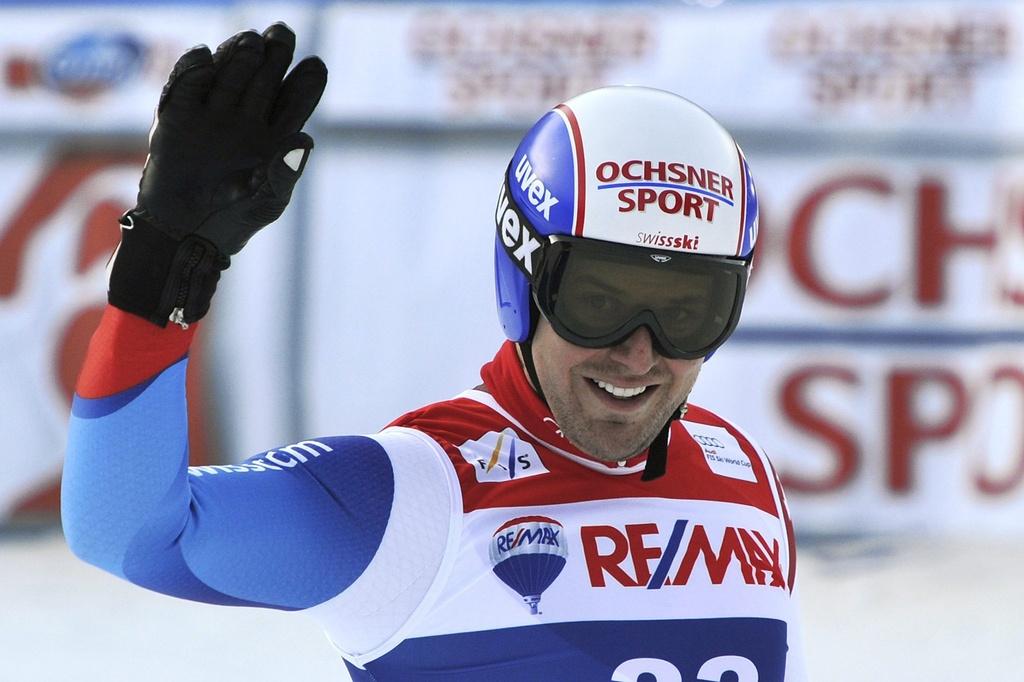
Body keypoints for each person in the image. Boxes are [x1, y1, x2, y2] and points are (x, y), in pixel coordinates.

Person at [61, 24, 806, 682]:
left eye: (689, 313)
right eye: (600, 303)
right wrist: (164, 268)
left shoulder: (740, 473)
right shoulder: (411, 496)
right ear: (523, 278)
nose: (640, 353)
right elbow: (124, 532)